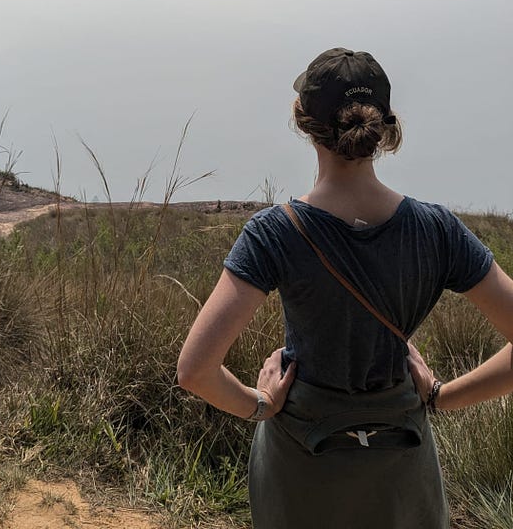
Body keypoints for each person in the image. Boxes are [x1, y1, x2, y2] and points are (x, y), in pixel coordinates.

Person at [177, 48, 513, 529]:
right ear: (385, 127)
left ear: (303, 122)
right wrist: (442, 396)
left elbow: (195, 371)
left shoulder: (274, 232)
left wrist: (260, 404)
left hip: (303, 456)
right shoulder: (437, 229)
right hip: (402, 455)